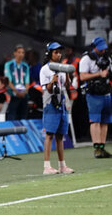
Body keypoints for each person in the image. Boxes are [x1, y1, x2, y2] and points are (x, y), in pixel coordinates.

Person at [40, 42, 74, 175]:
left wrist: (67, 75)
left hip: (62, 101)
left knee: (60, 135)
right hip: (50, 102)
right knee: (49, 134)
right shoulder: (45, 69)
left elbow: (67, 85)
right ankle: (47, 166)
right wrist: (52, 81)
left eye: (60, 52)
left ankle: (62, 166)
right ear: (49, 53)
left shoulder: (61, 67)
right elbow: (46, 89)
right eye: (56, 52)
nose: (59, 55)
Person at [79, 37, 112, 158]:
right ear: (94, 47)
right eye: (100, 48)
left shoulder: (107, 58)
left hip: (106, 93)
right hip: (94, 94)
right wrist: (99, 74)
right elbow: (82, 76)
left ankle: (102, 147)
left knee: (105, 121)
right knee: (95, 120)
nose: (103, 50)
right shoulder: (86, 59)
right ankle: (96, 148)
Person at [4, 44, 30, 120]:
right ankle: (11, 130)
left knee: (23, 115)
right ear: (14, 53)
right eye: (19, 52)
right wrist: (16, 91)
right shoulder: (8, 65)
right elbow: (8, 81)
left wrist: (25, 92)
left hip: (23, 93)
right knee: (12, 115)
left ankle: (23, 130)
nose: (21, 54)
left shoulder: (25, 66)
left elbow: (27, 81)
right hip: (13, 93)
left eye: (22, 52)